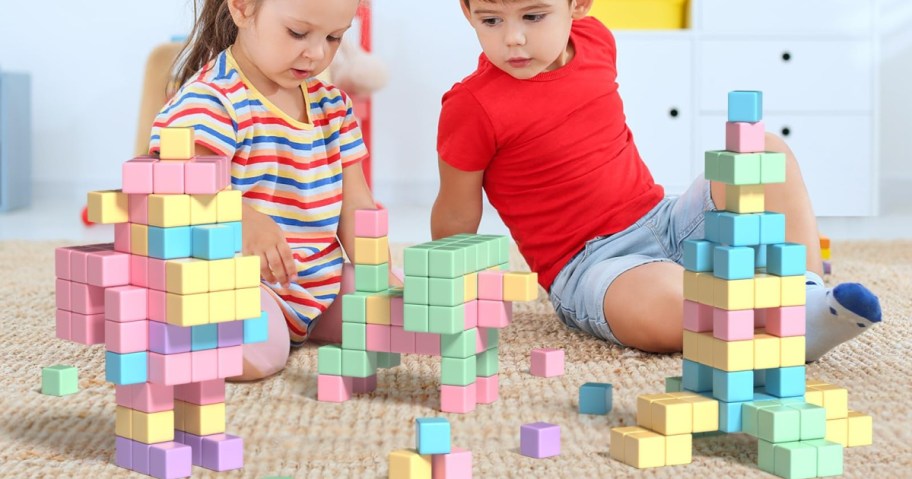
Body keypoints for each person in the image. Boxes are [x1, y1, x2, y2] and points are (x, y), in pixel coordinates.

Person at [431, 0, 882, 361]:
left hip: (664, 218)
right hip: (591, 265)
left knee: (765, 150)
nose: (513, 38)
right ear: (466, 11)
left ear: (578, 5)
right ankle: (777, 323)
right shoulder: (471, 106)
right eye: (491, 20)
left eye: (533, 16)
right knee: (666, 299)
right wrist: (445, 291)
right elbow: (455, 210)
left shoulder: (595, 41)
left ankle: (803, 289)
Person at [150, 0, 389, 380]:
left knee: (401, 314)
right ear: (243, 9)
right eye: (297, 33)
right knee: (262, 351)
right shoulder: (212, 100)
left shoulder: (334, 108)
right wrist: (242, 218)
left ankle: (306, 322)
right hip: (244, 281)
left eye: (333, 38)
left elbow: (356, 204)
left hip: (317, 280)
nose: (316, 53)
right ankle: (193, 329)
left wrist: (380, 272)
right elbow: (182, 189)